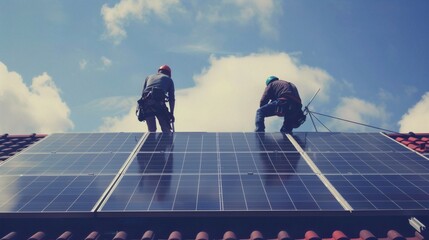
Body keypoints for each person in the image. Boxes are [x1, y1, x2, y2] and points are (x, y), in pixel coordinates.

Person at [141, 65, 175, 132]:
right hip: (159, 104)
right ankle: (166, 141)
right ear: (169, 73)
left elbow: (143, 94)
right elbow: (171, 98)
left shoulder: (148, 77)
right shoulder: (168, 79)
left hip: (146, 104)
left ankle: (151, 141)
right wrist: (171, 113)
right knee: (166, 128)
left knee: (151, 130)